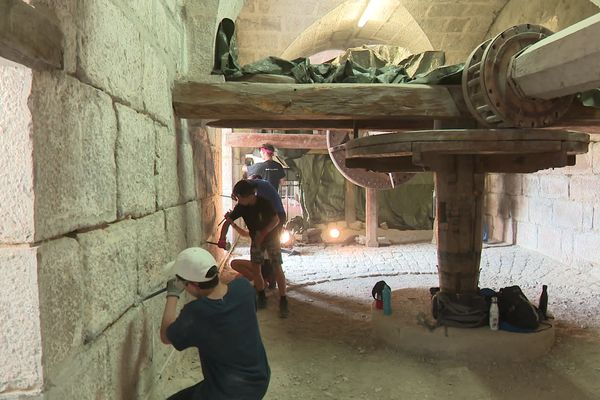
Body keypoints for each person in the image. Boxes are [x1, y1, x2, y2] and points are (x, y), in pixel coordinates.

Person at [160, 247, 270, 400]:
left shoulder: (196, 313)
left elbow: (165, 336)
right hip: (258, 380)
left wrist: (172, 294)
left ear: (192, 285)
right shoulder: (243, 288)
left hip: (227, 392)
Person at [219, 179, 289, 318]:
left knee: (277, 268)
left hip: (271, 239)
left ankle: (283, 299)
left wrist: (263, 233)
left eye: (239, 197)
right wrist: (222, 238)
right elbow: (227, 222)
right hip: (257, 241)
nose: (237, 200)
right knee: (256, 269)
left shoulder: (264, 203)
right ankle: (262, 295)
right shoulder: (241, 207)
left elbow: (275, 220)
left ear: (250, 196)